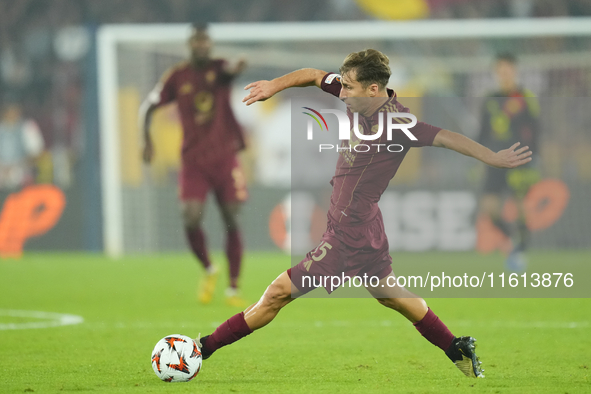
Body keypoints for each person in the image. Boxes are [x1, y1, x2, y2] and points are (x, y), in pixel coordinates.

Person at [194, 49, 533, 379]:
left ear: (373, 89)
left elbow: (447, 138)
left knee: (277, 294)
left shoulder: (399, 123)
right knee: (392, 295)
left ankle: (200, 349)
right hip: (365, 226)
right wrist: (274, 86)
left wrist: (493, 157)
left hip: (348, 235)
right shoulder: (356, 95)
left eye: (348, 88)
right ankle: (455, 347)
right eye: (341, 84)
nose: (341, 93)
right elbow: (313, 75)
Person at [140, 24, 248, 307]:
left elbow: (230, 72)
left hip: (225, 157)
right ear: (190, 45)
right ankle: (210, 269)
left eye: (206, 42)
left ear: (210, 44)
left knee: (231, 219)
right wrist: (146, 141)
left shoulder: (220, 68)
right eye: (197, 42)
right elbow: (147, 107)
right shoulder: (177, 77)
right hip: (194, 161)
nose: (202, 46)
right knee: (189, 216)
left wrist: (237, 68)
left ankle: (233, 288)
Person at [478, 53, 540, 272]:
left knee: (521, 207)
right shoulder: (490, 99)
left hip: (519, 160)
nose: (504, 75)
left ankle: (522, 251)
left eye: (507, 71)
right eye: (500, 71)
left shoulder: (525, 98)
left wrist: (533, 161)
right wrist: (478, 157)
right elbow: (482, 132)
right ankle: (513, 242)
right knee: (490, 210)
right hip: (495, 161)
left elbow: (535, 132)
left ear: (514, 71)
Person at [0, 98, 44, 191]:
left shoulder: (28, 127)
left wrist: (16, 166)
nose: (12, 113)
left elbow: (37, 154)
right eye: (8, 110)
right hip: (1, 170)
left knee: (19, 175)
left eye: (15, 110)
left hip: (21, 170)